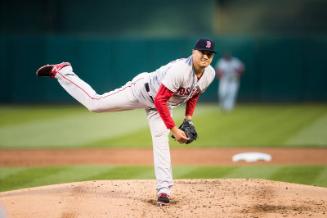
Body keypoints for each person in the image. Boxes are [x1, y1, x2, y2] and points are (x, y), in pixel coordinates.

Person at [36, 38, 216, 206]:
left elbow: (194, 93)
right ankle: (63, 71)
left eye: (209, 53)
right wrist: (174, 129)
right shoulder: (180, 70)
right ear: (193, 52)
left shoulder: (209, 74)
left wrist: (188, 119)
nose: (205, 56)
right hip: (141, 91)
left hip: (163, 105)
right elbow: (160, 99)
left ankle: (164, 190)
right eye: (202, 52)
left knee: (160, 139)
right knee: (95, 104)